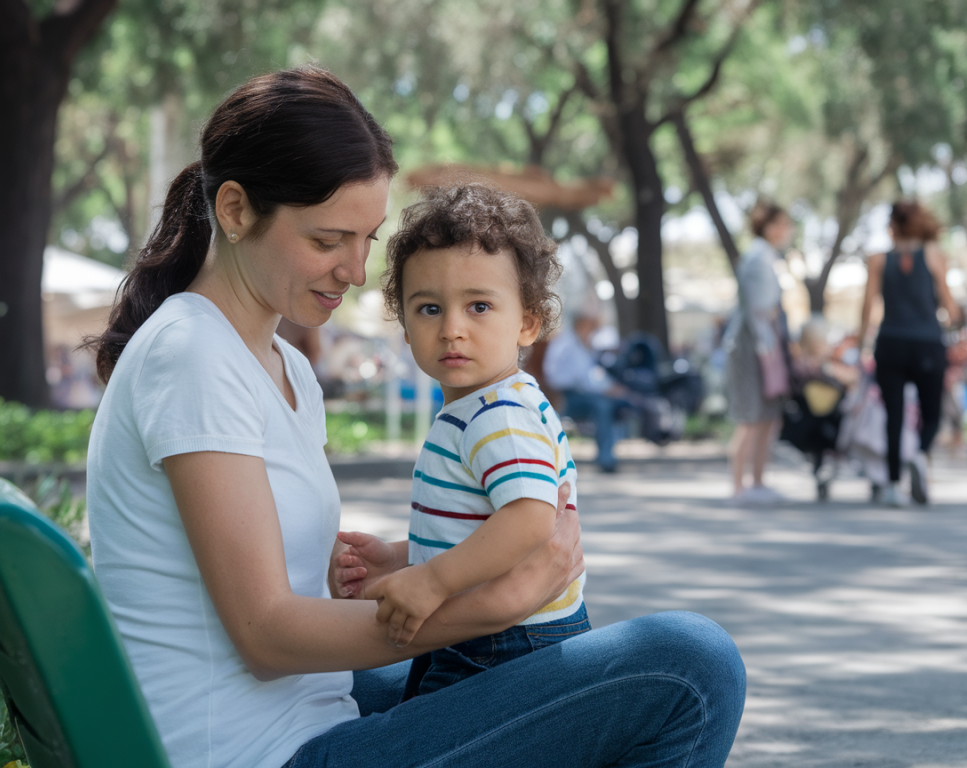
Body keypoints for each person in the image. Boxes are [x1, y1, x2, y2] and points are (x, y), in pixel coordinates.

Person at [85, 66, 746, 768]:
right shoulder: (192, 354)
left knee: (584, 672)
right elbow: (267, 636)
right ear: (236, 210)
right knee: (690, 665)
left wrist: (403, 566)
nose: (354, 271)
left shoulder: (285, 368)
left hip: (313, 708)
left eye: (367, 240)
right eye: (327, 240)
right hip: (255, 753)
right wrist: (499, 604)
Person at [372, 185, 589, 697]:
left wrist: (432, 581)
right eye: (429, 309)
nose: (452, 329)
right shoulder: (482, 406)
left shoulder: (499, 415)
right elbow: (477, 527)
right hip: (486, 631)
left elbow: (529, 519)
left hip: (508, 644)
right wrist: (401, 557)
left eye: (479, 306)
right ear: (406, 327)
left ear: (527, 323)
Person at [858, 201, 962, 506]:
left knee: (893, 415)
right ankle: (919, 454)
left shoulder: (878, 258)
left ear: (892, 226)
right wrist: (953, 320)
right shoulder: (933, 254)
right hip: (927, 342)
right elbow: (950, 307)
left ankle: (892, 485)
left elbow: (868, 305)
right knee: (932, 415)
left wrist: (862, 341)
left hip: (890, 342)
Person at [723, 200, 794, 504]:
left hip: (764, 347)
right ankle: (739, 487)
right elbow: (760, 310)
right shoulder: (757, 259)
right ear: (769, 226)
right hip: (753, 348)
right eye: (784, 224)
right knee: (750, 417)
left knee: (767, 416)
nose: (788, 231)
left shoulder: (766, 257)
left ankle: (757, 482)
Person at [543, 307, 634, 471]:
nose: (593, 331)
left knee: (613, 403)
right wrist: (605, 389)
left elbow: (591, 376)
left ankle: (608, 453)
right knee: (602, 405)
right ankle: (606, 458)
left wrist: (609, 387)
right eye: (591, 326)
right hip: (564, 396)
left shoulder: (582, 345)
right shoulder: (566, 344)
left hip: (581, 393)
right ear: (581, 324)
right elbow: (581, 379)